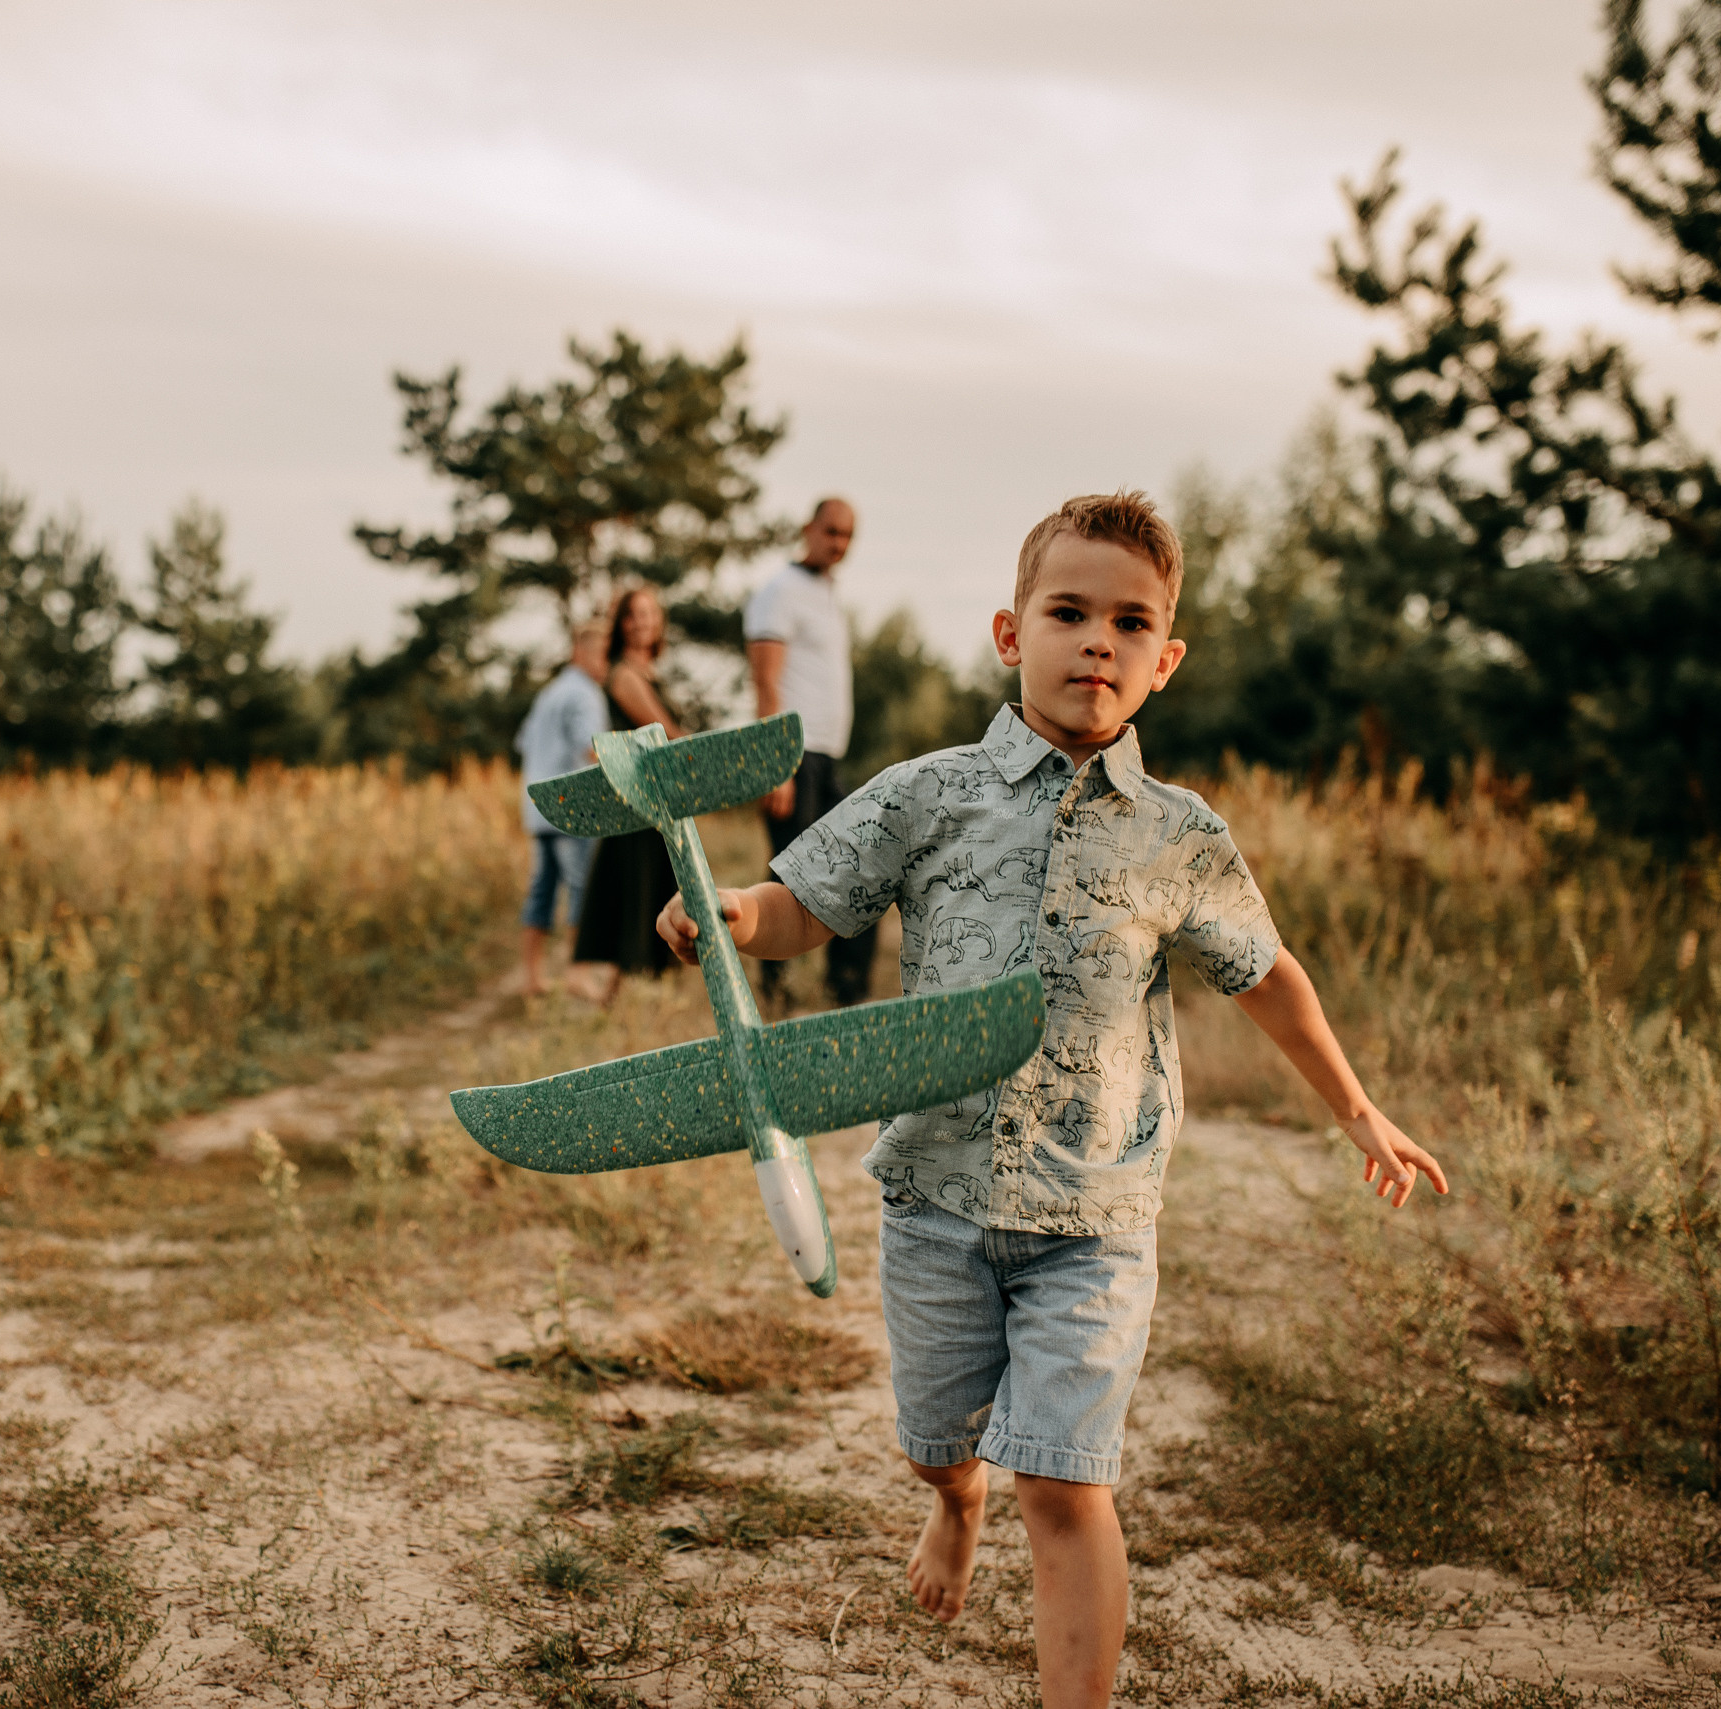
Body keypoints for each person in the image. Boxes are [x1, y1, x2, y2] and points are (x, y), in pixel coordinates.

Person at [658, 492, 1449, 1709]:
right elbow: (804, 900)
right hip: (935, 1194)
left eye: (1129, 622)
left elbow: (1268, 974)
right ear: (1009, 633)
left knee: (1066, 1484)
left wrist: (1358, 1108)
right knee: (937, 1438)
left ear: (1163, 660)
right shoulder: (929, 791)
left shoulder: (1179, 835)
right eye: (1067, 611)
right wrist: (725, 913)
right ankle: (950, 1501)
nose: (1097, 640)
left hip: (1097, 1210)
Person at [745, 496, 876, 1007]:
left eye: (847, 535)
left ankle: (846, 987)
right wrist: (774, 766)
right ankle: (775, 989)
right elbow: (764, 682)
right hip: (792, 756)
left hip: (827, 757)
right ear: (808, 529)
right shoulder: (780, 592)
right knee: (793, 872)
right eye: (831, 532)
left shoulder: (827, 594)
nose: (838, 543)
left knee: (858, 860)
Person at [571, 584, 685, 1004]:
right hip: (636, 801)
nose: (645, 622)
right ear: (622, 624)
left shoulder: (649, 672)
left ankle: (616, 997)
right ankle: (611, 996)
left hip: (655, 801)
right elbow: (664, 735)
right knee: (630, 893)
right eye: (635, 614)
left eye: (651, 613)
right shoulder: (623, 675)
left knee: (646, 889)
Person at [514, 621, 611, 997]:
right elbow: (593, 749)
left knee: (541, 890)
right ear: (580, 653)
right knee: (581, 889)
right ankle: (578, 973)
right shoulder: (585, 694)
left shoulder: (548, 693)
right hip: (571, 808)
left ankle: (532, 977)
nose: (605, 664)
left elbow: (524, 741)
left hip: (536, 807)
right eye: (602, 655)